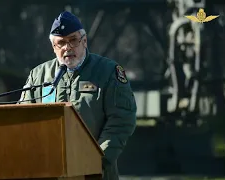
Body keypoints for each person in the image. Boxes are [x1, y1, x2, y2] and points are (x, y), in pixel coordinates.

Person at [18, 11, 137, 180]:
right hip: (48, 171)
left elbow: (122, 120)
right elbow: (22, 120)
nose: (68, 47)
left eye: (73, 40)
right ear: (54, 47)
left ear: (84, 41)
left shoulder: (108, 72)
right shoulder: (38, 76)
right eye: (61, 43)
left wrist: (96, 161)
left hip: (95, 173)